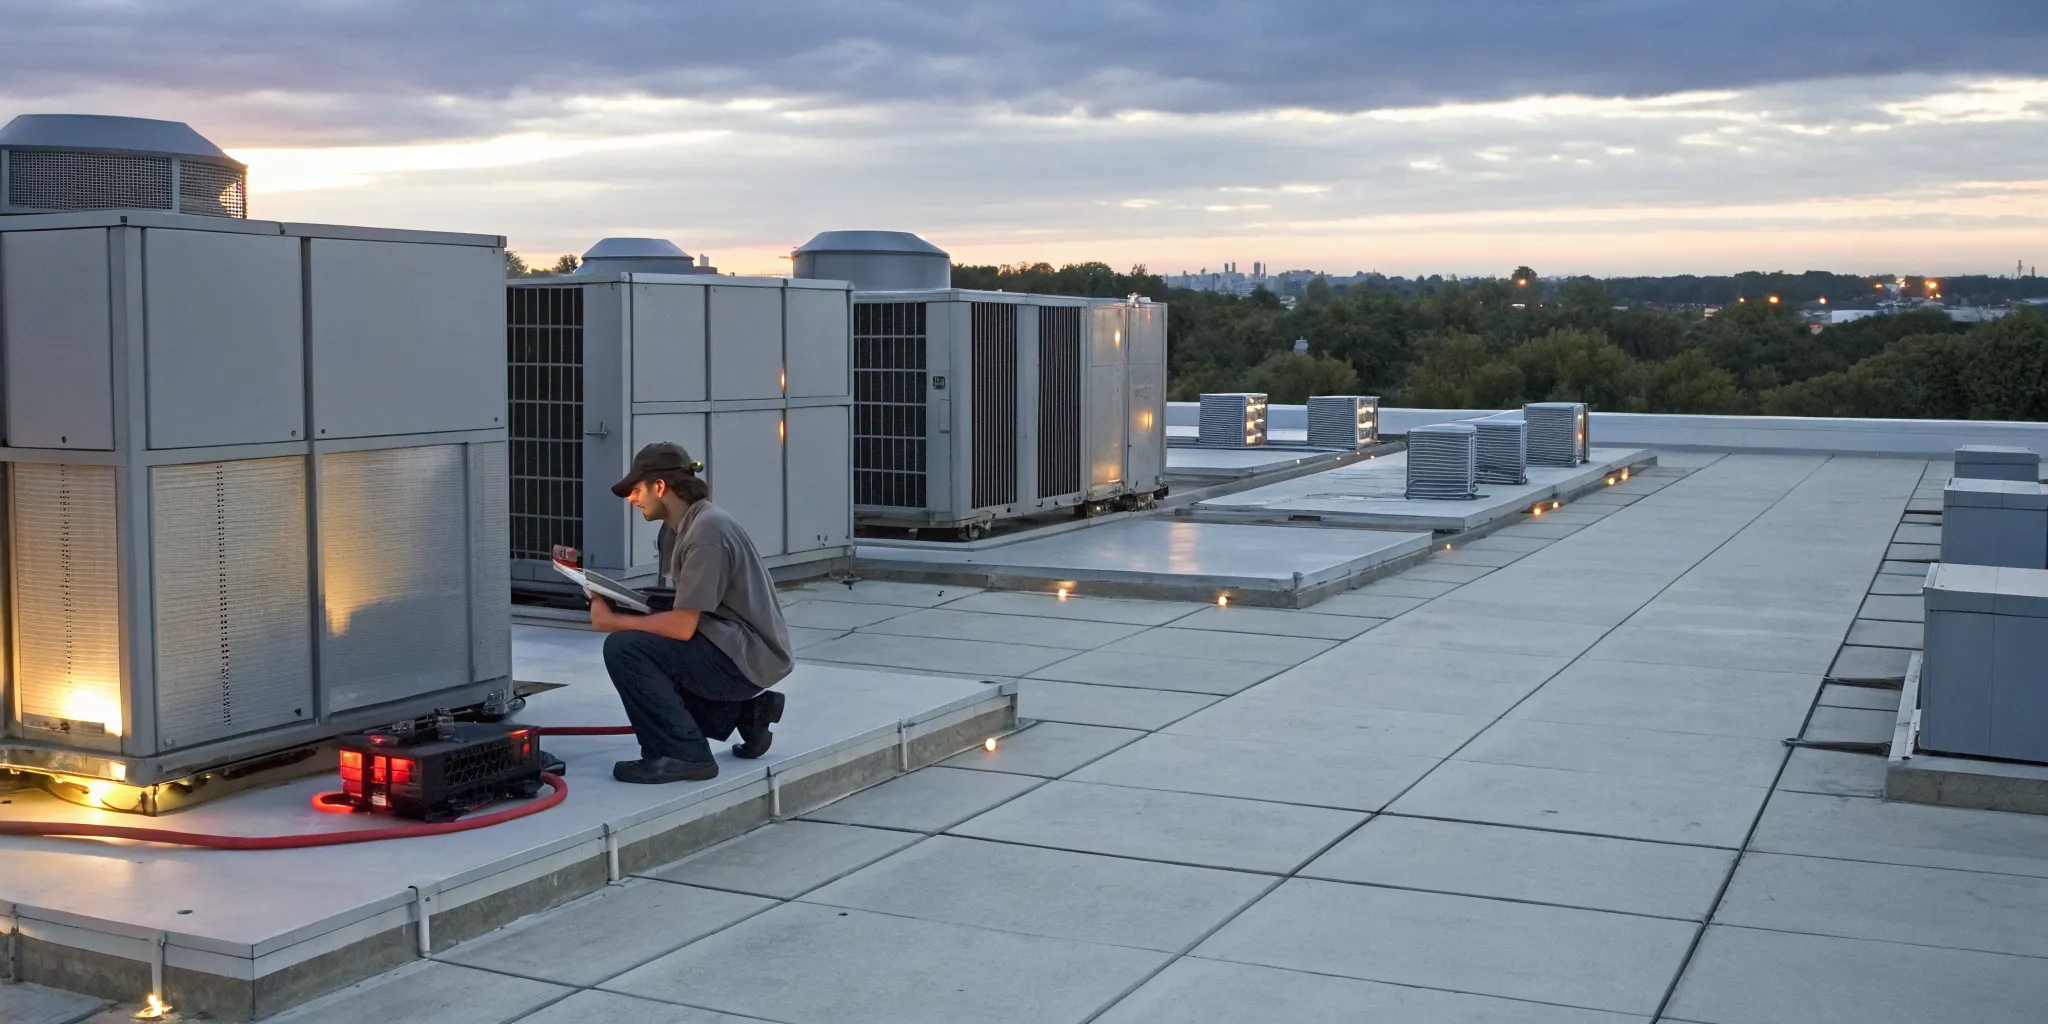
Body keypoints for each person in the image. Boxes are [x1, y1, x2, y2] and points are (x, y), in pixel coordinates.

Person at [590, 442, 793, 784]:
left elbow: (682, 627)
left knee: (625, 648)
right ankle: (746, 715)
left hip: (748, 656)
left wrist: (612, 621)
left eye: (636, 490)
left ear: (659, 487)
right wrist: (617, 601)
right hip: (728, 644)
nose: (631, 499)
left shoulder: (706, 532)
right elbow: (679, 606)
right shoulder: (676, 528)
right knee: (648, 644)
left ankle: (683, 754)